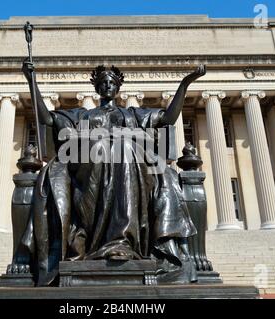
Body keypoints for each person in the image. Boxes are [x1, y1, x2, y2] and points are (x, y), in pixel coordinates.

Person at [21, 61, 207, 286]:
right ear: (97, 88)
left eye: (112, 82)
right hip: (89, 167)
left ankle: (122, 243)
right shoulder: (82, 115)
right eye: (103, 83)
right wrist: (32, 82)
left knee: (125, 149)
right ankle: (107, 240)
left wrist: (185, 84)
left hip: (129, 163)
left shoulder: (132, 114)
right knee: (110, 147)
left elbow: (167, 119)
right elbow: (48, 119)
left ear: (118, 87)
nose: (108, 86)